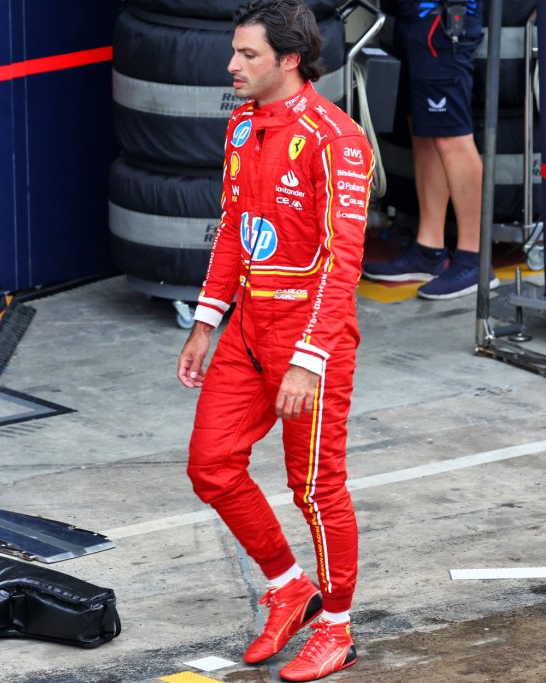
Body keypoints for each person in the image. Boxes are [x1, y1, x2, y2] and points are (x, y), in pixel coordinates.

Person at [176, 1, 373, 680]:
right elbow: (232, 227)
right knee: (211, 464)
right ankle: (288, 583)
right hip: (248, 328)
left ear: (290, 60)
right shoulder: (240, 126)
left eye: (248, 55)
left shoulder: (336, 140)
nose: (232, 66)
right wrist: (207, 323)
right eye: (234, 52)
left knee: (316, 487)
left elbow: (343, 261)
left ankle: (338, 625)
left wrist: (310, 359)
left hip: (309, 339)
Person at [363, 0, 499, 299]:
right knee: (424, 131)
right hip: (414, 16)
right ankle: (429, 250)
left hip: (444, 15)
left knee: (451, 135)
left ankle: (475, 257)